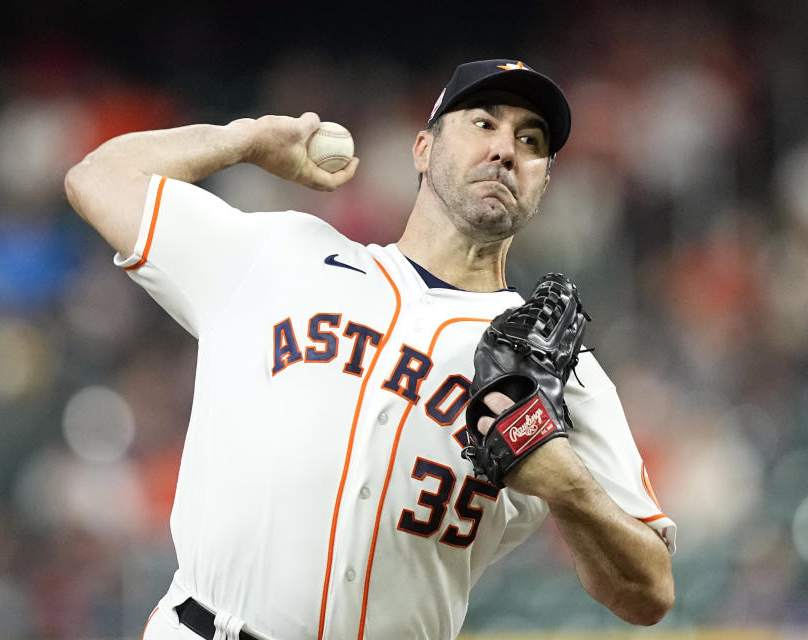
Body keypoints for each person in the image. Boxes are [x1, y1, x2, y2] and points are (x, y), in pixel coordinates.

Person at [65, 59, 676, 640]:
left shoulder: (559, 369)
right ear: (423, 148)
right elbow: (97, 178)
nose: (505, 149)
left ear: (543, 181)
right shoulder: (281, 254)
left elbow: (647, 592)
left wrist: (569, 486)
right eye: (483, 122)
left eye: (533, 141)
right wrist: (245, 139)